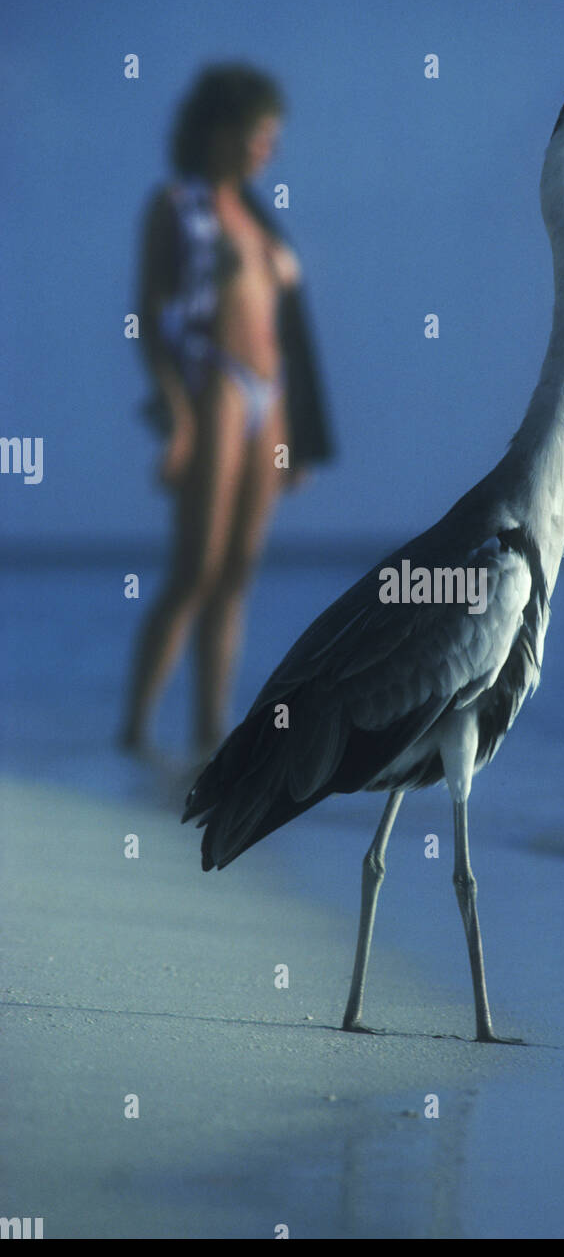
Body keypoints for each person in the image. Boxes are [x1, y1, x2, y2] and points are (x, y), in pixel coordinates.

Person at [120, 64, 333, 756]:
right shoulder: (177, 206)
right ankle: (135, 731)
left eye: (273, 134)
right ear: (221, 129)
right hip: (216, 382)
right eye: (259, 132)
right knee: (196, 567)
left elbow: (291, 330)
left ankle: (211, 736)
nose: (268, 145)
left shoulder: (262, 221)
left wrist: (300, 437)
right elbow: (150, 316)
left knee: (238, 571)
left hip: (271, 398)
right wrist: (177, 416)